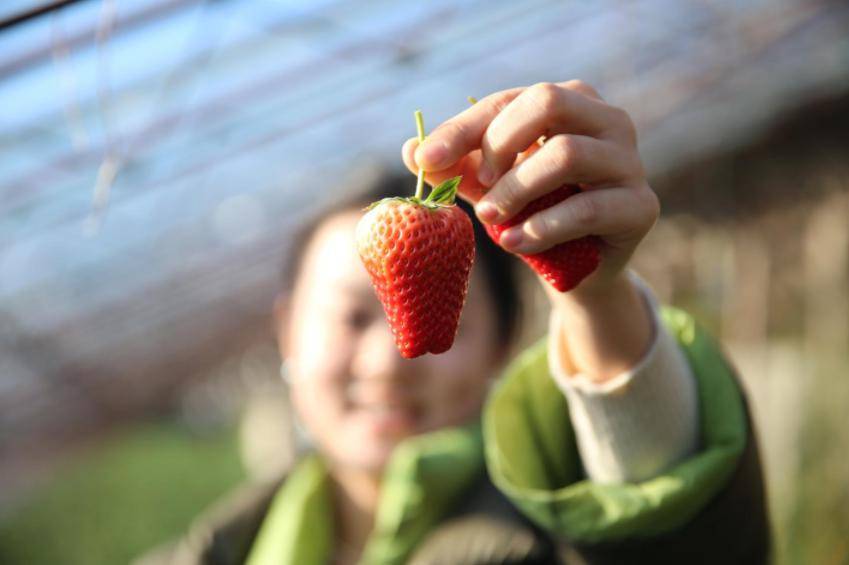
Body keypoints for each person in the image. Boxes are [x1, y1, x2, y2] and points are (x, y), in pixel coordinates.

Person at [139, 81, 769, 564]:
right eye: (355, 317)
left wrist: (595, 295)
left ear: (502, 344)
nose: (389, 362)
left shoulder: (552, 538)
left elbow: (670, 533)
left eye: (456, 318)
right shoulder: (204, 552)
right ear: (287, 330)